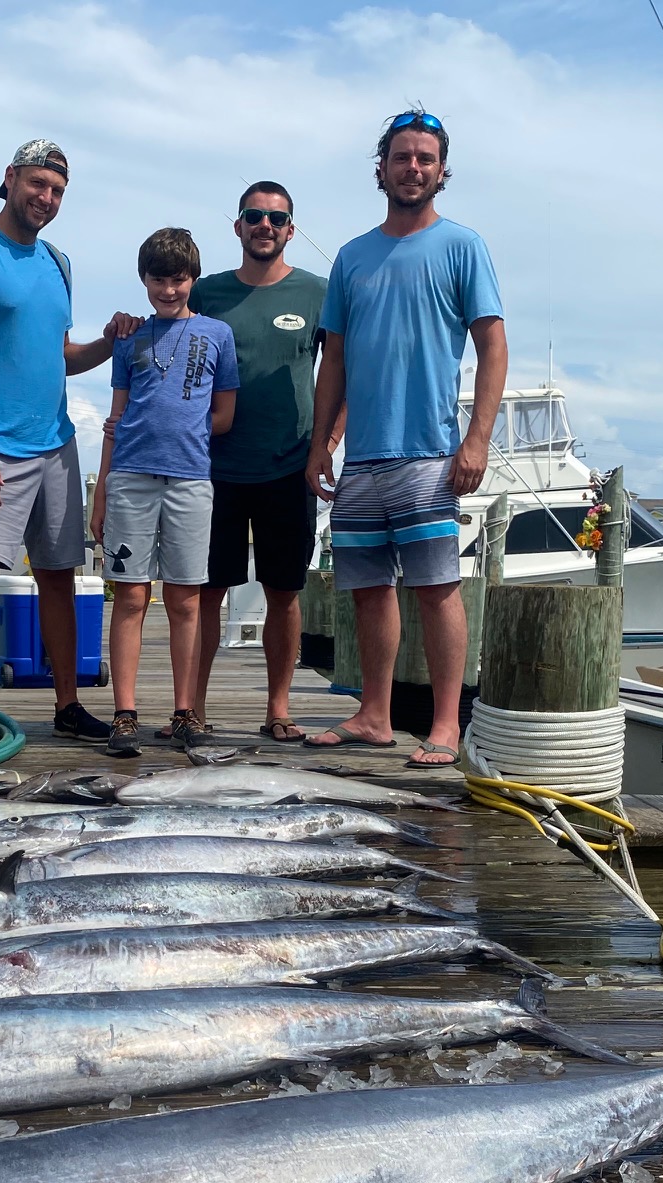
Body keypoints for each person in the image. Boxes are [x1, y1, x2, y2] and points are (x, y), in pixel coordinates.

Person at [0, 140, 138, 766]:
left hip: (56, 445)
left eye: (59, 191)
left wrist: (109, 341)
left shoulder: (59, 262)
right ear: (10, 179)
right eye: (38, 184)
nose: (47, 198)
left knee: (61, 578)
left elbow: (60, 356)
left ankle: (67, 706)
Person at [304, 109, 507, 768]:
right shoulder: (352, 257)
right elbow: (332, 357)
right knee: (367, 589)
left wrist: (475, 440)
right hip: (362, 457)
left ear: (442, 171)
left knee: (437, 587)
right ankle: (375, 714)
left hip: (429, 452)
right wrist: (318, 446)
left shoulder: (462, 246)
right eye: (402, 157)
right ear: (381, 169)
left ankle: (448, 723)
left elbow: (493, 346)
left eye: (425, 157)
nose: (413, 167)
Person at [187, 181, 338, 743]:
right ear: (239, 226)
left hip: (288, 465)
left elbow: (340, 370)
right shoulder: (205, 293)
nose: (265, 226)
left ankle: (278, 708)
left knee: (284, 591)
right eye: (254, 216)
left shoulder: (317, 293)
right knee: (206, 592)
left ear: (290, 229)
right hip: (212, 468)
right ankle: (191, 708)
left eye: (276, 218)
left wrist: (329, 439)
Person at [89, 228, 238, 756]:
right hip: (130, 477)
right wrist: (101, 490)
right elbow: (116, 416)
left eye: (178, 280)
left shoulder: (218, 334)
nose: (168, 290)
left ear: (192, 280)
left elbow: (223, 415)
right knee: (130, 596)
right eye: (158, 280)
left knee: (186, 598)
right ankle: (125, 714)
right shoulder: (129, 337)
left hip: (192, 480)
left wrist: (186, 431)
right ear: (144, 280)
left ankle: (184, 711)